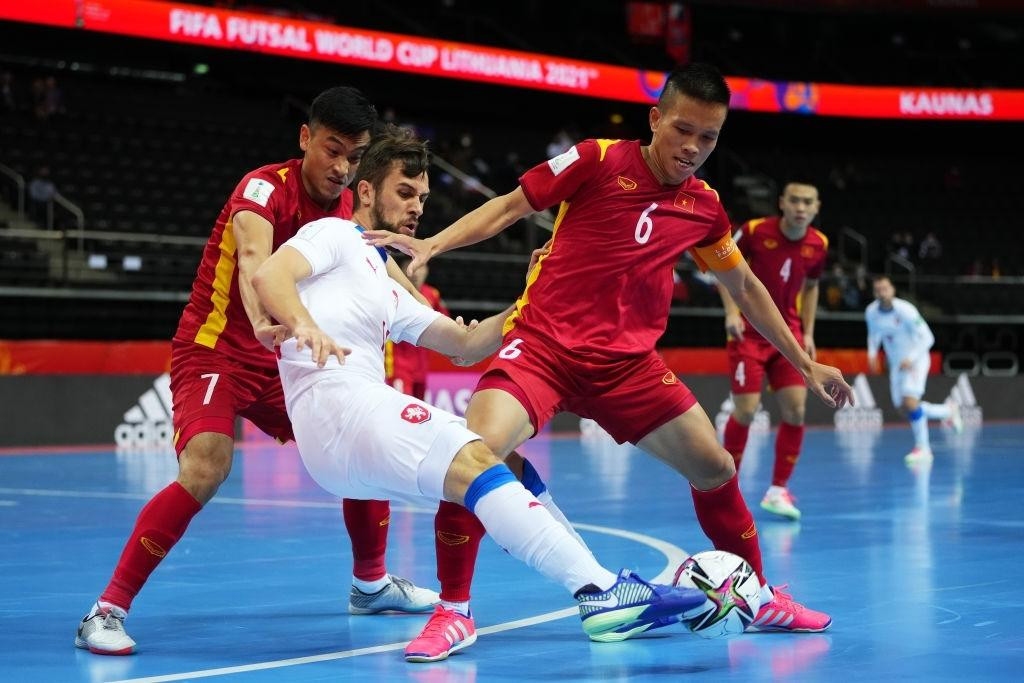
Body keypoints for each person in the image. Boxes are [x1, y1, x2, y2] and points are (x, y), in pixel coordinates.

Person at [366, 62, 854, 659]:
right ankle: (454, 611)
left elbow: (747, 288)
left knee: (716, 467)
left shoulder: (704, 208)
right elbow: (512, 205)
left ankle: (758, 594)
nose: (694, 147)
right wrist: (434, 243)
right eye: (683, 130)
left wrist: (806, 364)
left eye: (709, 137)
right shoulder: (597, 159)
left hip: (629, 366)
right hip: (542, 346)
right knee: (472, 452)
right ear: (654, 120)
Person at [253, 127, 710, 660]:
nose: (417, 207)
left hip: (344, 442)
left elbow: (465, 344)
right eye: (405, 192)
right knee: (475, 455)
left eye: (423, 197)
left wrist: (533, 294)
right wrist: (305, 326)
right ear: (368, 191)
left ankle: (595, 589)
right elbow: (271, 275)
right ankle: (599, 591)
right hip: (337, 405)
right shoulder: (333, 234)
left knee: (500, 464)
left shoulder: (385, 280)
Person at [75, 87, 441, 656]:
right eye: (332, 150)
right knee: (206, 467)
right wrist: (264, 321)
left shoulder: (347, 211)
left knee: (361, 440)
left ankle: (370, 585)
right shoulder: (263, 188)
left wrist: (433, 317)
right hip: (216, 348)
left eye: (354, 156)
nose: (342, 168)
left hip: (283, 359)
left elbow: (380, 271)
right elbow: (253, 263)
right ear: (306, 139)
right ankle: (106, 610)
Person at [716, 181, 827, 520]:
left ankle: (778, 490)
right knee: (746, 411)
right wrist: (732, 312)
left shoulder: (818, 244)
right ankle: (725, 489)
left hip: (787, 336)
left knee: (795, 411)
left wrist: (807, 332)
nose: (800, 207)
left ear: (816, 207)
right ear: (781, 202)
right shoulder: (752, 231)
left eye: (808, 201)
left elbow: (811, 288)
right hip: (749, 333)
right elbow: (722, 268)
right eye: (794, 200)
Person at [865, 276, 961, 464]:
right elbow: (874, 334)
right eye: (878, 290)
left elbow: (928, 338)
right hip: (896, 365)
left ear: (892, 289)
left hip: (916, 360)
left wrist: (911, 358)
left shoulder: (906, 310)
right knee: (903, 408)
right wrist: (871, 353)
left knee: (910, 402)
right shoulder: (871, 312)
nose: (882, 293)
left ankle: (924, 449)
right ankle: (947, 412)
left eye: (885, 288)